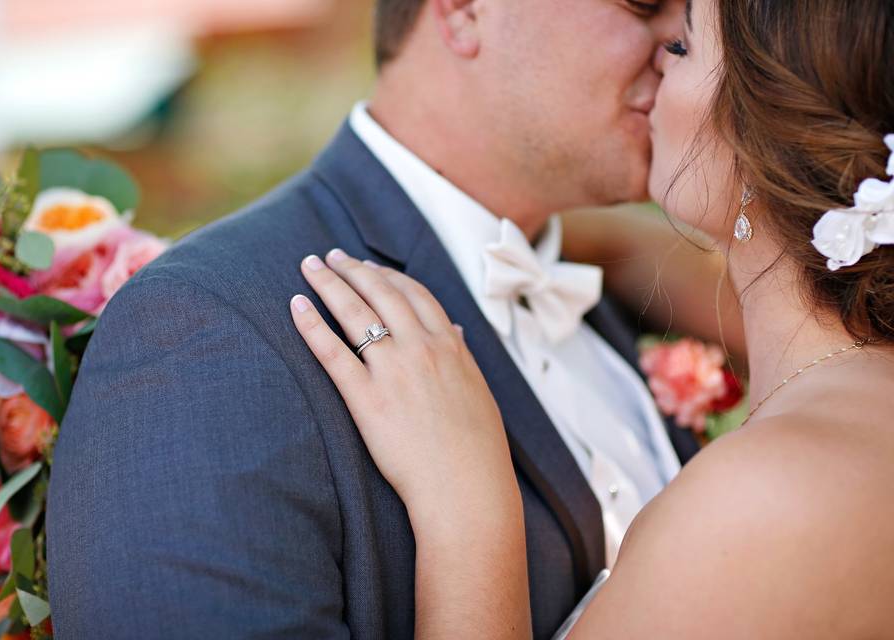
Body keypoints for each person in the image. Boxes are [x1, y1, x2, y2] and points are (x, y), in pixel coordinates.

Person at [46, 1, 709, 637]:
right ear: (464, 9)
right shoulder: (206, 331)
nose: (685, 38)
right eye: (641, 1)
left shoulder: (610, 296)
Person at [290, 0, 894, 637]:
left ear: (764, 133)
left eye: (684, 46)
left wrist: (468, 513)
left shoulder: (763, 498)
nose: (659, 58)